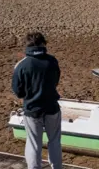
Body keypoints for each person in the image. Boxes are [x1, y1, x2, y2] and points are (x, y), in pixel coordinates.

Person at [12, 32, 62, 169]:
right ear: (43, 44)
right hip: (52, 107)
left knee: (34, 143)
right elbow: (55, 80)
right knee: (55, 141)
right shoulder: (52, 61)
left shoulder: (21, 65)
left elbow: (17, 91)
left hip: (32, 109)